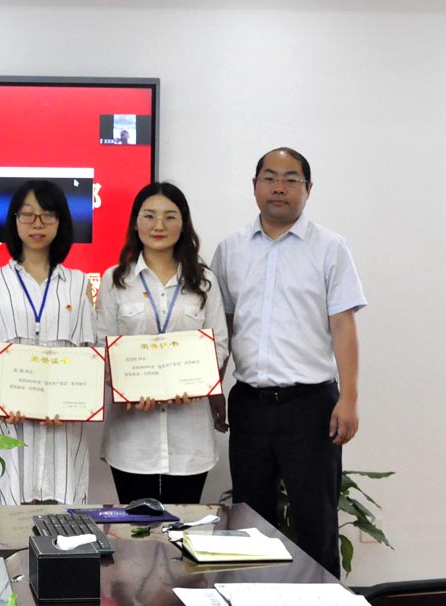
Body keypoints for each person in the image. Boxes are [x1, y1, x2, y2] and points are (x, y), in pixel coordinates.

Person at [210, 147, 366, 577]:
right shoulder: (231, 249)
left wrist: (349, 398)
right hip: (250, 405)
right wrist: (214, 388)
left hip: (311, 407)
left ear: (308, 188)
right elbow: (222, 327)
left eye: (291, 179)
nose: (279, 187)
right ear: (255, 185)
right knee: (250, 524)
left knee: (317, 524)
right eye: (270, 177)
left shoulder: (330, 248)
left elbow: (344, 327)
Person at [97, 182, 228, 505]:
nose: (159, 225)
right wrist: (128, 387)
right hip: (131, 438)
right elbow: (102, 347)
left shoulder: (205, 282)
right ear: (135, 222)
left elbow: (219, 346)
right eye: (149, 216)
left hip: (189, 437)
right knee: (135, 529)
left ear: (183, 224)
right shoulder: (115, 280)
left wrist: (194, 385)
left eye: (170, 216)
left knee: (182, 528)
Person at [0, 180, 97, 505]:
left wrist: (70, 401)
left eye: (47, 215)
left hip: (62, 429)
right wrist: (1, 393)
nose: (37, 224)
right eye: (27, 214)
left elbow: (89, 358)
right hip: (6, 425)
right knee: (2, 522)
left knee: (64, 523)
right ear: (14, 220)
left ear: (60, 221)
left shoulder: (79, 284)